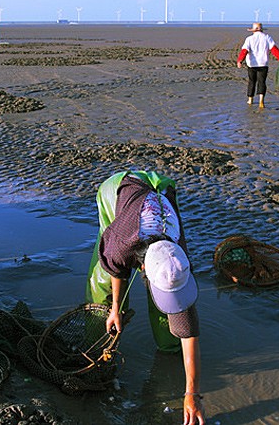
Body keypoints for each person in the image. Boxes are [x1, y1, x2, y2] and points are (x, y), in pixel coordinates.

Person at [87, 170, 205, 425]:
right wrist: (115, 309)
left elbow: (190, 331)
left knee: (171, 309)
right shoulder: (121, 242)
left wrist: (191, 393)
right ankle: (98, 331)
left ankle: (168, 346)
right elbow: (116, 268)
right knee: (104, 281)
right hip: (119, 191)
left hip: (159, 192)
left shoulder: (178, 260)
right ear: (143, 269)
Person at [237, 22, 279, 109]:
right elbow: (274, 49)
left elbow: (244, 50)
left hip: (252, 64)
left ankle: (250, 99)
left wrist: (240, 60)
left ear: (253, 30)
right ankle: (261, 101)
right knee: (262, 82)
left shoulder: (249, 39)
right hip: (263, 64)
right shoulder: (267, 38)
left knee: (252, 81)